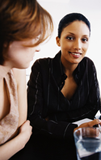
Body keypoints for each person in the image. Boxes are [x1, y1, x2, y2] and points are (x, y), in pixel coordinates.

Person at [27, 13, 101, 160]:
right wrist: (73, 130)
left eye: (84, 40)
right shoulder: (41, 67)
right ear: (58, 41)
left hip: (82, 145)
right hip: (45, 146)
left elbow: (93, 107)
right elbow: (33, 119)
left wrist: (53, 119)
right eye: (70, 38)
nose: (78, 46)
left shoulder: (88, 65)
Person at [0, 0, 53, 159]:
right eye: (34, 36)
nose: (38, 48)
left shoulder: (14, 70)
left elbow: (21, 125)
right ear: (8, 34)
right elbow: (22, 135)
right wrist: (20, 142)